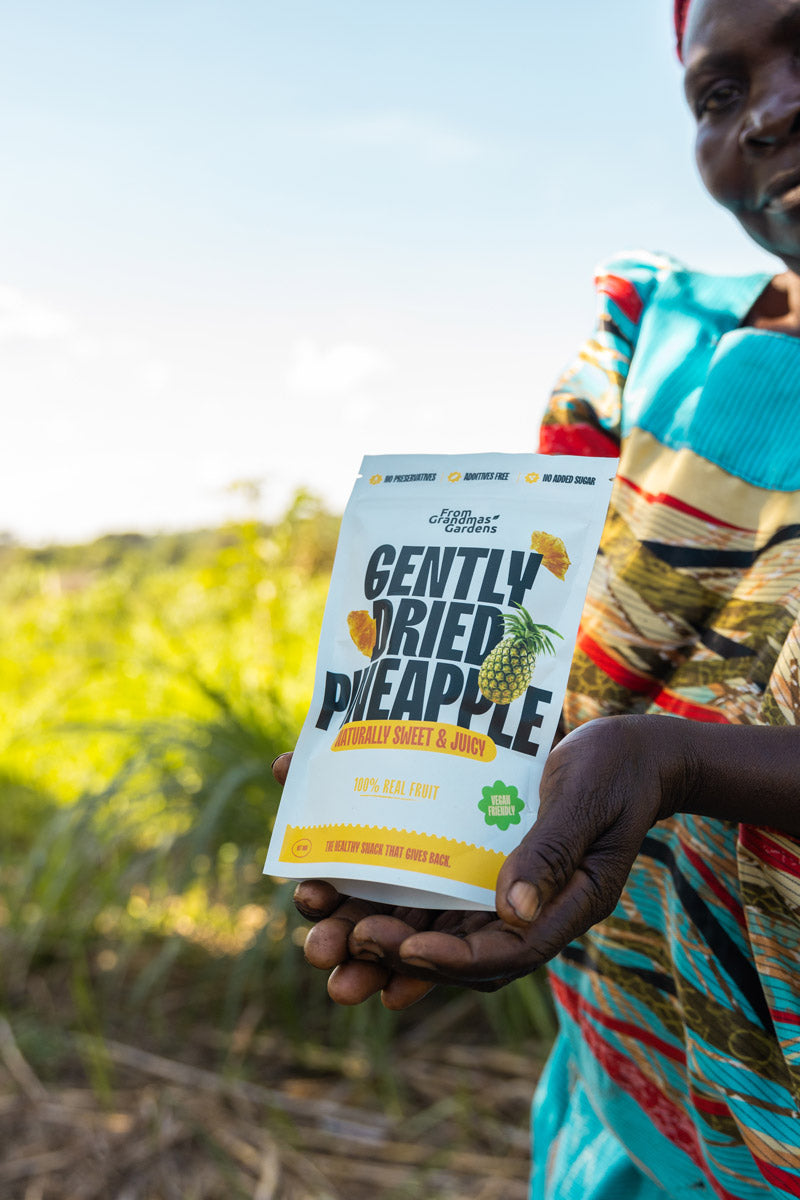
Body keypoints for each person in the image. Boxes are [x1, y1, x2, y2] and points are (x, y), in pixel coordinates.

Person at [273, 0, 800, 1193]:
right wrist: (428, 799)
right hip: (626, 1076)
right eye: (716, 94)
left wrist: (676, 763)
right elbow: (547, 656)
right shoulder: (647, 342)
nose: (768, 113)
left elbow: (647, 749)